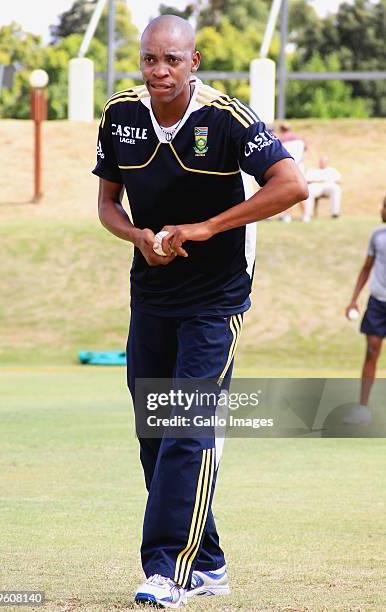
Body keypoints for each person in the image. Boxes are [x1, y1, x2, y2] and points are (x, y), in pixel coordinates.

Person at [93, 15, 308, 608]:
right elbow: (107, 203)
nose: (159, 71)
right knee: (155, 432)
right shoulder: (120, 115)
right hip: (152, 293)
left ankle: (167, 569)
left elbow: (291, 185)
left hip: (216, 298)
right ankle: (208, 559)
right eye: (149, 60)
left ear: (194, 63)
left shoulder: (227, 118)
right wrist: (138, 236)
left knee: (186, 426)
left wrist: (208, 228)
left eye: (172, 60)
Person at [344, 197, 386, 425]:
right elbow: (366, 268)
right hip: (378, 303)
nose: (381, 210)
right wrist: (353, 300)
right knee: (371, 351)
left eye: (385, 206)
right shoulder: (378, 236)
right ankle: (363, 410)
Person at [278, 122, 308, 222]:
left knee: (288, 192)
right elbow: (305, 153)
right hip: (300, 167)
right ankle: (305, 215)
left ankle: (287, 216)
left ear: (281, 129)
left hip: (288, 169)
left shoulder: (280, 139)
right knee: (302, 191)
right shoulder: (300, 138)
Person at [303, 156, 342, 221]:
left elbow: (339, 180)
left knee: (336, 189)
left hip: (328, 186)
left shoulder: (332, 171)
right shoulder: (313, 170)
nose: (323, 163)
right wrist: (318, 181)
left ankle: (335, 213)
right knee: (309, 190)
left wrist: (330, 180)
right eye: (321, 162)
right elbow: (307, 181)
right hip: (316, 186)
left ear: (327, 162)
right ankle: (307, 214)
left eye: (324, 162)